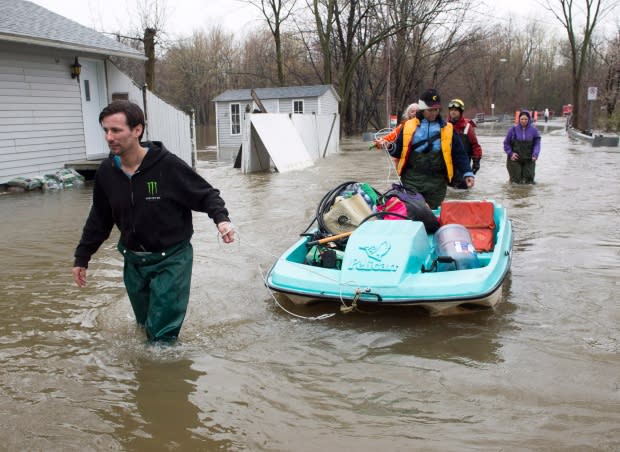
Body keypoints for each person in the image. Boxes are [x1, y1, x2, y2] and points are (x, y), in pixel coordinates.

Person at [72, 100, 235, 342]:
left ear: (137, 130)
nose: (109, 137)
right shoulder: (107, 172)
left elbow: (206, 195)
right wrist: (82, 257)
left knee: (161, 337)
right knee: (143, 325)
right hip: (133, 260)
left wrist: (221, 220)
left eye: (116, 130)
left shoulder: (167, 166)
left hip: (171, 260)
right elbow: (99, 218)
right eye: (105, 130)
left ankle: (164, 375)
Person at [390, 89, 475, 209]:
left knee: (433, 214)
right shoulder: (408, 126)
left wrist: (467, 173)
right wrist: (390, 147)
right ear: (423, 109)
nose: (434, 113)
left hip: (437, 183)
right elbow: (397, 151)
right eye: (430, 110)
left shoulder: (448, 129)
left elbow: (459, 154)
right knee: (416, 209)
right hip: (412, 180)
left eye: (436, 109)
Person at [447, 98, 482, 189]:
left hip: (463, 165)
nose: (453, 112)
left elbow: (475, 145)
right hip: (448, 165)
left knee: (462, 191)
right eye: (451, 110)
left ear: (461, 112)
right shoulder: (445, 126)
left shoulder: (467, 127)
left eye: (455, 110)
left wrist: (476, 161)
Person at [503, 109, 541, 184]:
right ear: (519, 119)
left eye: (526, 119)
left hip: (529, 158)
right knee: (515, 182)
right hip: (515, 159)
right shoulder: (512, 130)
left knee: (529, 181)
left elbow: (537, 143)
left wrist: (535, 154)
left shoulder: (534, 130)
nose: (524, 121)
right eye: (522, 119)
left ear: (529, 119)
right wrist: (511, 153)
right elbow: (506, 144)